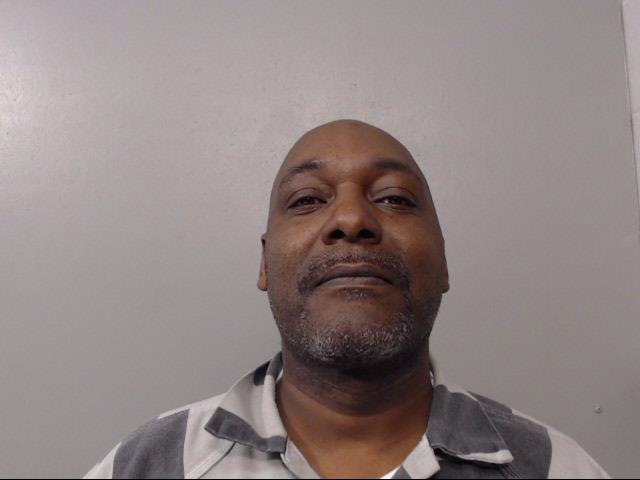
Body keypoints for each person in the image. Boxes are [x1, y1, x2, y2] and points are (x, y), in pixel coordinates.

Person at [85, 120, 610, 479]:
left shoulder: (553, 468)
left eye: (394, 198)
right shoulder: (150, 465)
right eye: (308, 199)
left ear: (444, 262)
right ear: (265, 263)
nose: (352, 220)